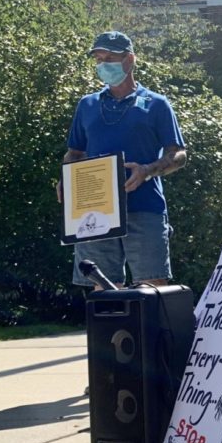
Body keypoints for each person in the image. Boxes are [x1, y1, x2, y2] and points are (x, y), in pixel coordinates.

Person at [64, 31, 186, 289]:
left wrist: (147, 171)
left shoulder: (157, 104)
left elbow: (178, 154)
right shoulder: (87, 105)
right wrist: (67, 181)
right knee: (102, 286)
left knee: (153, 287)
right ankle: (111, 332)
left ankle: (153, 332)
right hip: (95, 210)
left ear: (129, 60)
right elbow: (74, 153)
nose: (103, 64)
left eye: (110, 57)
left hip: (145, 206)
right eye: (98, 59)